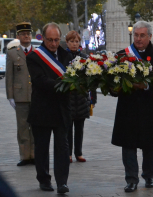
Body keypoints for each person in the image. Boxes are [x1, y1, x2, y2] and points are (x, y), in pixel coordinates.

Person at [111, 21, 153, 193]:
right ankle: (131, 179)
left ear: (150, 36)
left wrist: (144, 86)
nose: (138, 39)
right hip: (127, 109)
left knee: (149, 145)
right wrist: (115, 88)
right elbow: (113, 80)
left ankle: (149, 175)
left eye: (142, 35)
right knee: (128, 146)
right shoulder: (122, 55)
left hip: (149, 107)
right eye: (136, 35)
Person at [26, 23, 73, 194]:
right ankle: (44, 179)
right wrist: (65, 84)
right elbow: (40, 80)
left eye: (56, 40)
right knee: (42, 148)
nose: (53, 44)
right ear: (43, 39)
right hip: (43, 109)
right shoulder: (34, 57)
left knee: (63, 147)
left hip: (62, 109)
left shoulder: (67, 56)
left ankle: (62, 182)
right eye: (50, 40)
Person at [5, 22, 35, 166]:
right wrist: (10, 96)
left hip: (35, 96)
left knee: (35, 127)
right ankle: (25, 156)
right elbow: (9, 77)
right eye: (23, 34)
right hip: (20, 96)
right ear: (18, 36)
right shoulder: (12, 53)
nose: (26, 36)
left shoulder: (37, 52)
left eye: (28, 33)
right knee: (23, 127)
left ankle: (34, 155)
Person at [65, 30, 97, 163]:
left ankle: (78, 152)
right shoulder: (63, 57)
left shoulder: (84, 57)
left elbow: (92, 78)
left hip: (82, 97)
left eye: (76, 41)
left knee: (79, 128)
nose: (74, 44)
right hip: (68, 97)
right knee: (67, 129)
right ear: (67, 43)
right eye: (71, 41)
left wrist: (93, 97)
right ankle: (68, 154)